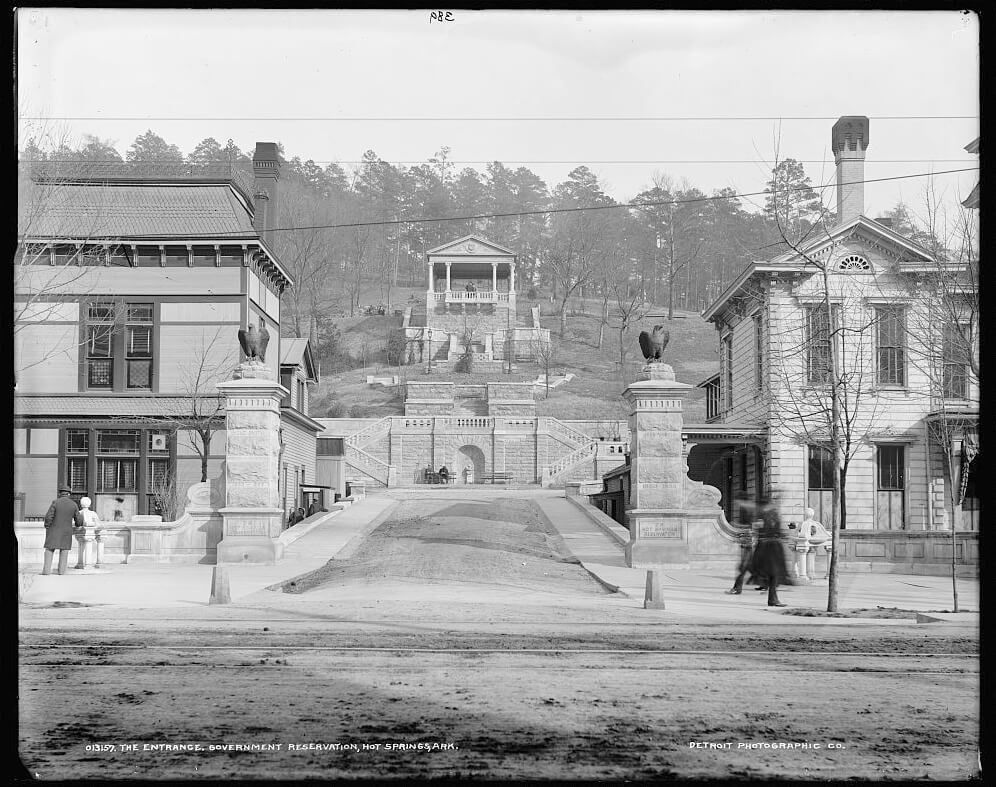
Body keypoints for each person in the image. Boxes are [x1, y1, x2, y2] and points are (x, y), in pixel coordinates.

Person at [752, 497, 789, 607]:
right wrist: (781, 535)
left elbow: (760, 530)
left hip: (768, 546)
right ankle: (772, 599)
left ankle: (772, 598)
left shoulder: (762, 515)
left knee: (773, 575)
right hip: (772, 548)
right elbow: (770, 530)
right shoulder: (770, 514)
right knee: (774, 574)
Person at [42, 486, 82, 575]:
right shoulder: (73, 504)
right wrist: (78, 524)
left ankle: (46, 571)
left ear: (60, 493)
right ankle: (61, 572)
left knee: (49, 549)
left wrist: (47, 526)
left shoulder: (55, 502)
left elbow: (49, 517)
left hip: (53, 530)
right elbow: (79, 520)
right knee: (64, 551)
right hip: (66, 531)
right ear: (69, 494)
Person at [726, 497, 756, 595]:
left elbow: (750, 526)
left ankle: (737, 588)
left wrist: (737, 525)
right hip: (748, 542)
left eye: (737, 501)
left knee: (742, 567)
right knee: (747, 566)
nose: (735, 503)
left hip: (747, 543)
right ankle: (766, 583)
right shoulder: (747, 509)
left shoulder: (747, 510)